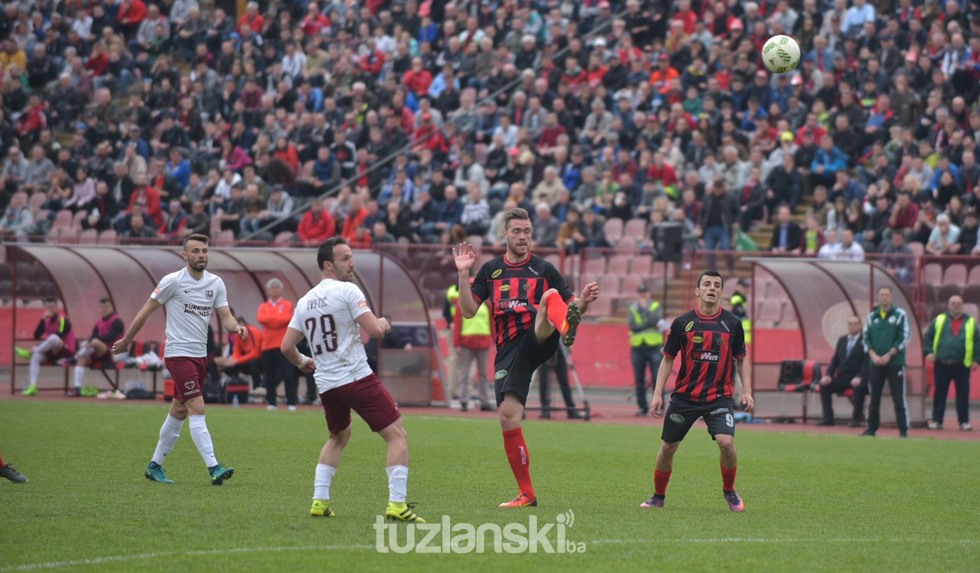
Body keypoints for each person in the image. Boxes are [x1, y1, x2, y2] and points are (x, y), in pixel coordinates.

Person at [453, 207, 600, 508]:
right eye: (517, 231)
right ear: (504, 234)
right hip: (509, 351)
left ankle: (565, 327)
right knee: (508, 417)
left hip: (539, 336)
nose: (523, 237)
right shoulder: (491, 270)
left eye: (528, 232)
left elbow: (574, 303)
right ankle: (527, 494)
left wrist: (582, 303)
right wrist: (463, 273)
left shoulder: (545, 270)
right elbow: (468, 311)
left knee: (549, 298)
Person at [279, 237, 425, 523]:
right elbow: (375, 329)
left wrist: (303, 361)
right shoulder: (347, 290)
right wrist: (383, 322)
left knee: (338, 436)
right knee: (397, 436)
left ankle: (319, 501)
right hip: (356, 377)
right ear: (328, 265)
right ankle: (397, 504)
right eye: (346, 258)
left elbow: (286, 346)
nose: (352, 262)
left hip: (328, 384)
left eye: (351, 256)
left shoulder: (305, 300)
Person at [112, 234, 245, 485]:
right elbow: (146, 310)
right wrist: (128, 339)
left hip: (199, 356)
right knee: (198, 406)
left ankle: (154, 466)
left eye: (204, 250)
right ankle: (214, 467)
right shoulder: (172, 281)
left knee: (180, 410)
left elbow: (226, 317)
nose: (201, 255)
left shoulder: (216, 283)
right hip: (178, 354)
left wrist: (236, 327)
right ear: (185, 256)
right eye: (195, 251)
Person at [643, 270, 752, 512]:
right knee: (668, 447)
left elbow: (742, 359)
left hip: (719, 397)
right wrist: (657, 393)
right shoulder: (682, 323)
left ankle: (729, 491)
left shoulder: (733, 324)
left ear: (722, 292)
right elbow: (668, 359)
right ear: (698, 290)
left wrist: (747, 391)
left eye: (716, 285)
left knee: (726, 443)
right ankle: (658, 496)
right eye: (707, 284)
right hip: (685, 397)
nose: (711, 288)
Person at [923, 295, 979, 431]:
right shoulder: (939, 320)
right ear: (948, 305)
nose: (956, 306)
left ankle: (964, 422)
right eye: (953, 303)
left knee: (963, 394)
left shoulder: (971, 322)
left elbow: (978, 343)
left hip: (962, 365)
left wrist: (976, 359)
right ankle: (937, 420)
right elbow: (928, 338)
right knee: (940, 393)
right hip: (942, 364)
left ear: (963, 305)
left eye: (958, 303)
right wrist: (928, 352)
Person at [861, 286, 911, 438]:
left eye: (886, 295)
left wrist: (890, 355)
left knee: (898, 396)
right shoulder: (872, 317)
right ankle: (871, 428)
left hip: (895, 363)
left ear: (891, 296)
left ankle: (903, 430)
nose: (884, 297)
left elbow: (904, 337)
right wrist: (874, 356)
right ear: (878, 297)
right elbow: (865, 339)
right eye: (881, 294)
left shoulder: (900, 315)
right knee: (874, 396)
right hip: (875, 363)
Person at [16, 298, 78, 396]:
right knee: (36, 357)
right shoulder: (46, 320)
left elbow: (60, 335)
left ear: (57, 308)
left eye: (52, 307)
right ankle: (33, 386)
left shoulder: (62, 319)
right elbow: (36, 335)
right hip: (52, 352)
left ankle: (30, 352)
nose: (50, 309)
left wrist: (38, 347)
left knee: (53, 337)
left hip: (66, 351)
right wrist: (42, 320)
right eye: (48, 307)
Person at [816, 316, 869, 427]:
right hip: (842, 378)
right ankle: (828, 417)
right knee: (824, 385)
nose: (852, 326)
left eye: (855, 324)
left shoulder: (865, 341)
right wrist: (829, 375)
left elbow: (866, 362)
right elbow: (835, 360)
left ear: (860, 326)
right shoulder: (842, 340)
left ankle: (856, 419)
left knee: (860, 388)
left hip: (858, 378)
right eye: (850, 324)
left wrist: (859, 376)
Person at [68, 298, 125, 398]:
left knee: (93, 342)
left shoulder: (117, 321)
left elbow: (110, 337)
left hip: (113, 353)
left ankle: (75, 357)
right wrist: (89, 343)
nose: (104, 309)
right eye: (102, 307)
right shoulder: (99, 322)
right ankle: (77, 388)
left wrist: (92, 342)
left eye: (106, 306)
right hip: (99, 352)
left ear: (112, 307)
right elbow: (93, 336)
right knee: (83, 358)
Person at [257, 278, 299, 411]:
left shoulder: (287, 304)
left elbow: (288, 318)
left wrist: (272, 320)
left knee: (288, 374)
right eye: (272, 288)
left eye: (277, 287)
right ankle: (271, 402)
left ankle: (291, 402)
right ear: (268, 291)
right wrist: (278, 320)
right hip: (267, 345)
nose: (275, 290)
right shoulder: (263, 306)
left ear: (281, 290)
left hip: (284, 345)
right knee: (269, 376)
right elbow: (261, 319)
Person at [454, 274, 493, 412]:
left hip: (483, 342)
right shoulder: (461, 305)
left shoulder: (487, 305)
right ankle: (464, 400)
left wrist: (494, 339)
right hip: (467, 343)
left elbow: (492, 324)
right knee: (465, 373)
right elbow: (457, 325)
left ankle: (484, 401)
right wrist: (457, 344)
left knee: (483, 374)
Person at [628, 284, 666, 416]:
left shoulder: (655, 306)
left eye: (645, 292)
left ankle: (659, 406)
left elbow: (654, 319)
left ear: (649, 293)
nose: (643, 295)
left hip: (654, 346)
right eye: (641, 292)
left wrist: (643, 322)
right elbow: (633, 326)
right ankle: (642, 407)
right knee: (639, 379)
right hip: (638, 346)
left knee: (658, 378)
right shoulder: (633, 308)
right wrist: (647, 323)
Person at [213, 314, 264, 390]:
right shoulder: (238, 334)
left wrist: (237, 360)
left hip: (261, 360)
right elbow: (237, 352)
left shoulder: (254, 332)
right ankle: (236, 385)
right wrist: (232, 360)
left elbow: (255, 353)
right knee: (228, 367)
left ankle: (257, 388)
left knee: (253, 363)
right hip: (247, 360)